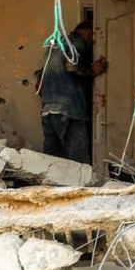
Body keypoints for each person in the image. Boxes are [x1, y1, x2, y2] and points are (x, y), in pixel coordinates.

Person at [38, 20, 107, 165]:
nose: (91, 43)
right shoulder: (76, 42)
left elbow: (39, 84)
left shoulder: (54, 46)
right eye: (92, 39)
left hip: (48, 111)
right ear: (89, 33)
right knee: (77, 162)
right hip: (70, 111)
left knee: (51, 162)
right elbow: (71, 66)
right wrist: (93, 70)